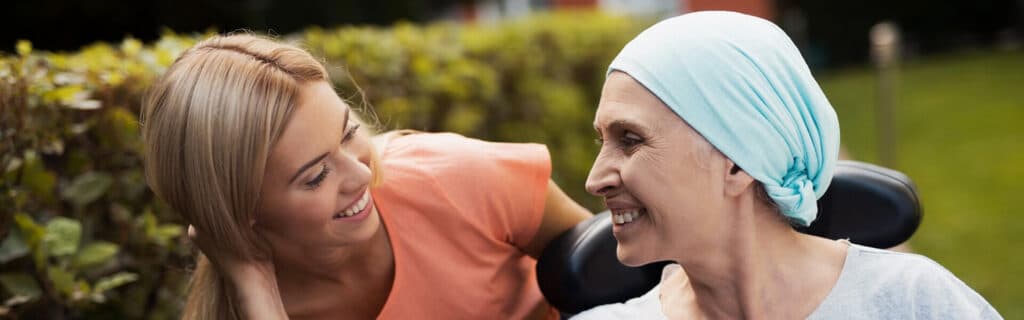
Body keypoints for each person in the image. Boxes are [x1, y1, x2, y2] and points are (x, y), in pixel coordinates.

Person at [574, 11, 1001, 319]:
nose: (595, 179)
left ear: (739, 162)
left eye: (630, 140)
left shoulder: (912, 302)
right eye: (602, 141)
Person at [139, 34, 591, 319]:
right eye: (315, 176)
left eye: (350, 132)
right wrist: (253, 287)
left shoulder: (456, 177)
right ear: (243, 211)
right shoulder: (236, 306)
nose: (360, 173)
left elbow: (618, 271)